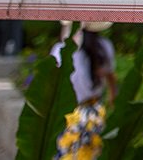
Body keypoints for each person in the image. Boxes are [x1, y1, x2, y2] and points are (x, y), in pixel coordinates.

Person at [50, 21, 117, 159]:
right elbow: (111, 77)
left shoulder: (60, 50)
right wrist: (112, 97)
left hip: (68, 116)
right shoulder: (104, 47)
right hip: (95, 114)